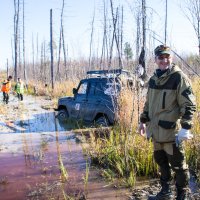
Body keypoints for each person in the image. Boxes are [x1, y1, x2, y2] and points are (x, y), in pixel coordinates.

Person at [138, 45, 196, 200]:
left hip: (171, 133)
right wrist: (142, 121)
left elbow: (189, 105)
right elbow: (148, 104)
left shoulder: (178, 77)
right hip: (156, 133)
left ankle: (182, 195)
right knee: (162, 163)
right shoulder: (153, 79)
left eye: (167, 57)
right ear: (156, 59)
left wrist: (185, 128)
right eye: (161, 57)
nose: (164, 60)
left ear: (171, 58)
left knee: (179, 166)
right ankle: (166, 192)